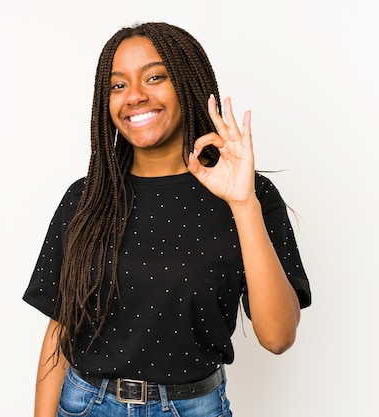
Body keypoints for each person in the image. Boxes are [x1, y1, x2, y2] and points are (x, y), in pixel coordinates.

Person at [23, 21, 312, 417]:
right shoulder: (85, 198)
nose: (135, 96)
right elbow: (60, 329)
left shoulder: (250, 195)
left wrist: (244, 204)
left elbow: (278, 338)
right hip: (86, 405)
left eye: (154, 77)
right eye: (117, 85)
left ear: (189, 83)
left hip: (193, 408)